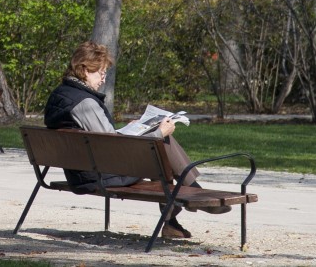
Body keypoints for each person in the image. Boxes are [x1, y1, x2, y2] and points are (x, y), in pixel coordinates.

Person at [44, 41, 230, 240]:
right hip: (98, 175)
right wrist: (157, 133)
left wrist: (136, 129)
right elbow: (111, 146)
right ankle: (188, 200)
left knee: (158, 143)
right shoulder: (86, 103)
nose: (103, 79)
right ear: (84, 70)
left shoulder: (61, 95)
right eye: (100, 73)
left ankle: (177, 215)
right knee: (160, 144)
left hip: (83, 170)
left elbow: (99, 138)